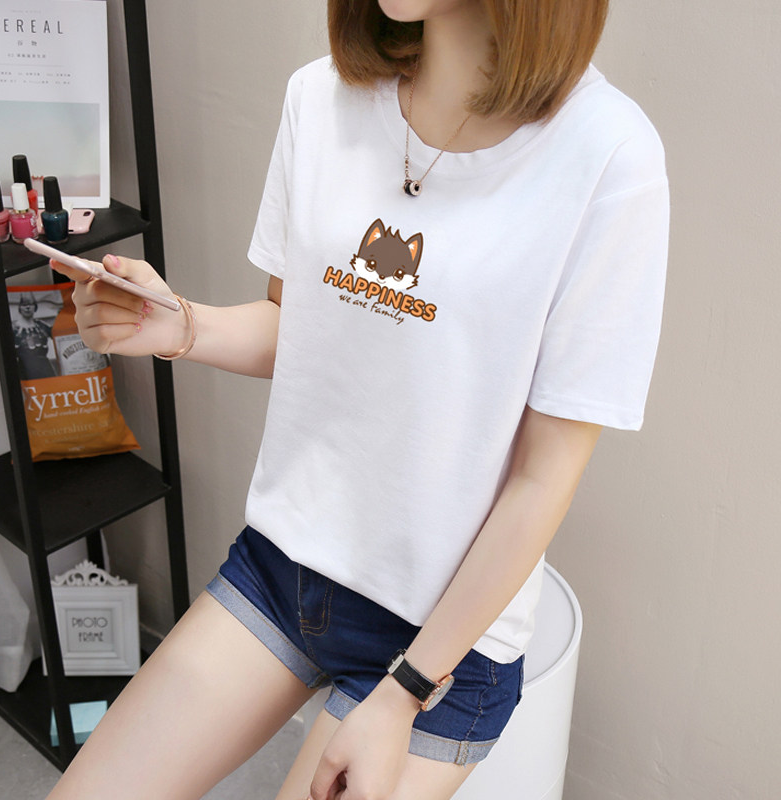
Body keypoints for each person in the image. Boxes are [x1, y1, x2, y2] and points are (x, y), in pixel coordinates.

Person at [47, 0, 669, 798]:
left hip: (444, 643)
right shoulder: (320, 97)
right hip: (285, 569)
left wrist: (406, 689)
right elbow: (298, 326)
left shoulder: (608, 156)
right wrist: (179, 325)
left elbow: (542, 478)